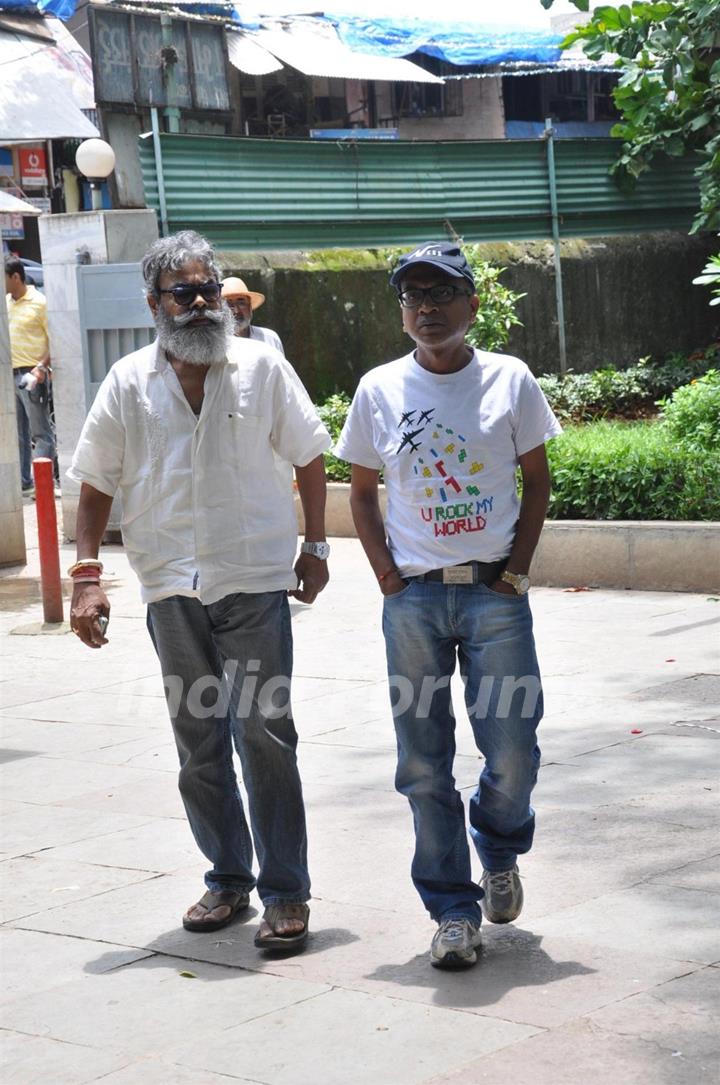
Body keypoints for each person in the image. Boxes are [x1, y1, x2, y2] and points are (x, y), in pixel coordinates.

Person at [68, 230, 332, 953]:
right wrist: (86, 578)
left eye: (208, 289)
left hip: (252, 580)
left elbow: (309, 455)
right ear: (154, 303)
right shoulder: (127, 380)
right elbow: (95, 481)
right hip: (169, 588)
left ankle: (286, 892)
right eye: (182, 292)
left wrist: (315, 544)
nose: (199, 303)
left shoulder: (261, 367)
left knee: (266, 735)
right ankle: (227, 878)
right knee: (198, 744)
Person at [335, 241, 561, 970]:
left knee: (515, 749)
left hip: (495, 595)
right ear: (402, 312)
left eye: (440, 294)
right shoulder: (377, 389)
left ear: (471, 304)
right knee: (424, 763)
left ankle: (497, 844)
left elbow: (538, 482)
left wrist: (516, 575)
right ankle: (452, 909)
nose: (426, 308)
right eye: (412, 297)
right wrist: (388, 581)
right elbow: (361, 494)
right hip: (415, 603)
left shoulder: (510, 380)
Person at [5, 255, 55, 496]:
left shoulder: (39, 302)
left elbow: (55, 341)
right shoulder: (6, 303)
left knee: (40, 433)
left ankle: (44, 487)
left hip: (31, 375)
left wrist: (41, 368)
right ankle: (24, 481)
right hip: (9, 376)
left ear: (16, 277)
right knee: (18, 434)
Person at [221, 276, 284, 353]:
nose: (236, 311)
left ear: (250, 306)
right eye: (228, 304)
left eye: (241, 303)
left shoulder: (270, 338)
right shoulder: (216, 344)